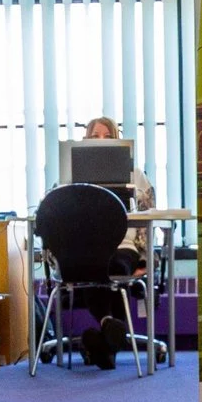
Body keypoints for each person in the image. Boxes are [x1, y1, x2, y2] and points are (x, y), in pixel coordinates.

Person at [72, 118, 144, 369]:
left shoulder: (134, 173)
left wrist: (147, 259)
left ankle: (101, 337)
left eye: (107, 135)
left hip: (124, 245)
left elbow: (149, 211)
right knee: (93, 266)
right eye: (94, 136)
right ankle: (108, 335)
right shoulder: (71, 174)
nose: (101, 141)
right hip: (88, 248)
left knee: (114, 266)